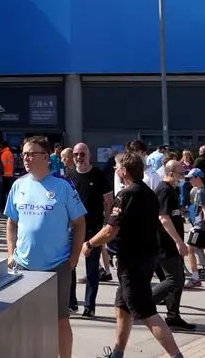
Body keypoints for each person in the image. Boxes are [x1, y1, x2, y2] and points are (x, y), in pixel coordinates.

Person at [84, 153, 183, 358]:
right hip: (146, 259)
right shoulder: (148, 193)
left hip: (132, 263)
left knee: (146, 312)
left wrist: (90, 244)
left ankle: (176, 356)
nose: (114, 170)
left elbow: (111, 230)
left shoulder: (126, 195)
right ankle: (117, 353)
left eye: (117, 167)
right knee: (122, 307)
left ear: (124, 171)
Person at [6, 136, 86, 358]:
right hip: (23, 265)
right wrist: (11, 253)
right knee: (25, 320)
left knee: (60, 320)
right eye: (24, 154)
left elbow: (79, 223)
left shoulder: (63, 186)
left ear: (46, 157)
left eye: (31, 153)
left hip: (56, 265)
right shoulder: (18, 185)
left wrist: (73, 259)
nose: (26, 158)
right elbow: (11, 222)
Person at [67, 142, 112, 316]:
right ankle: (71, 303)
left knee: (92, 269)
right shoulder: (70, 176)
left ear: (89, 155)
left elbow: (108, 201)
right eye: (76, 154)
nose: (79, 158)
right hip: (72, 229)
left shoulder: (99, 175)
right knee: (70, 265)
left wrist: (108, 223)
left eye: (82, 154)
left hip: (94, 230)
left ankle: (89, 306)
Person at [152, 160, 195, 330]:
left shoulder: (172, 190)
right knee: (173, 280)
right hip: (165, 244)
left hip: (171, 243)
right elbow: (163, 218)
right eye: (180, 171)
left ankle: (173, 316)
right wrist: (178, 242)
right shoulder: (163, 190)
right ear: (170, 172)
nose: (183, 175)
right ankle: (143, 305)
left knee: (178, 280)